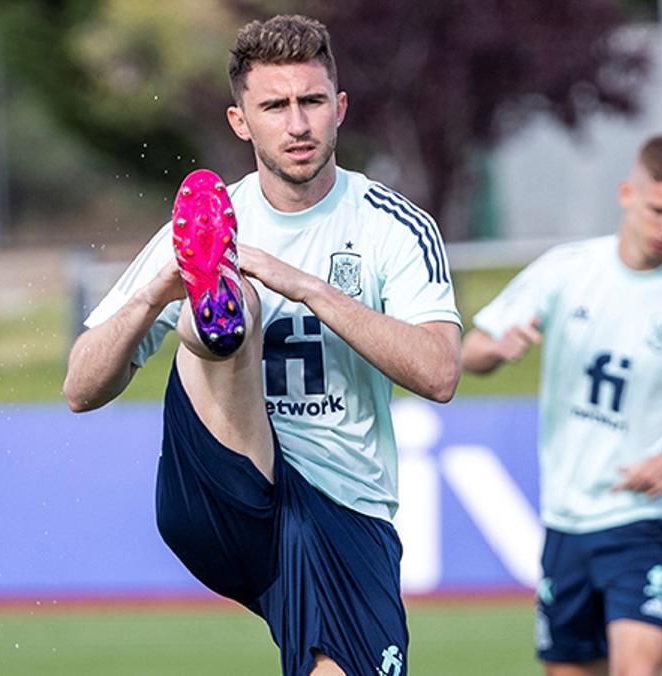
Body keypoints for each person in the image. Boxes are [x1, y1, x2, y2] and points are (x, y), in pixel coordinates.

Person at [63, 14, 461, 676]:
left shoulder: (394, 227)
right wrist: (153, 293)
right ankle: (212, 309)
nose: (297, 124)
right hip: (221, 487)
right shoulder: (210, 223)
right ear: (240, 121)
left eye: (310, 102)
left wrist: (307, 287)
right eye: (275, 106)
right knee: (230, 304)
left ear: (339, 108)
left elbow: (440, 372)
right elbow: (79, 389)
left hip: (341, 510)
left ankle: (218, 308)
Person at [461, 136, 662, 675]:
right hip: (566, 518)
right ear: (627, 193)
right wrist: (498, 350)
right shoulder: (566, 270)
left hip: (643, 519)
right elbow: (467, 351)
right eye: (658, 210)